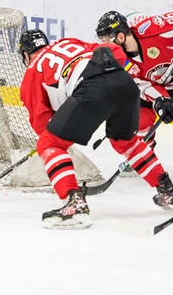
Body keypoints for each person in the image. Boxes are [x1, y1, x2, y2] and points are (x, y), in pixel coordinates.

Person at [18, 29, 173, 230]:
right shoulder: (68, 42)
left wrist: (59, 133)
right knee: (125, 142)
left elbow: (42, 124)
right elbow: (114, 50)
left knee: (48, 143)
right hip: (125, 83)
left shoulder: (32, 72)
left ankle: (75, 205)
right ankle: (167, 190)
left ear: (25, 55)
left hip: (92, 91)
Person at [95, 11, 173, 142]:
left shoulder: (155, 29)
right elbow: (145, 86)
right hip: (166, 86)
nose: (106, 48)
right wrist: (162, 101)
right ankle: (144, 152)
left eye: (107, 41)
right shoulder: (121, 62)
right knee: (136, 112)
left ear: (120, 37)